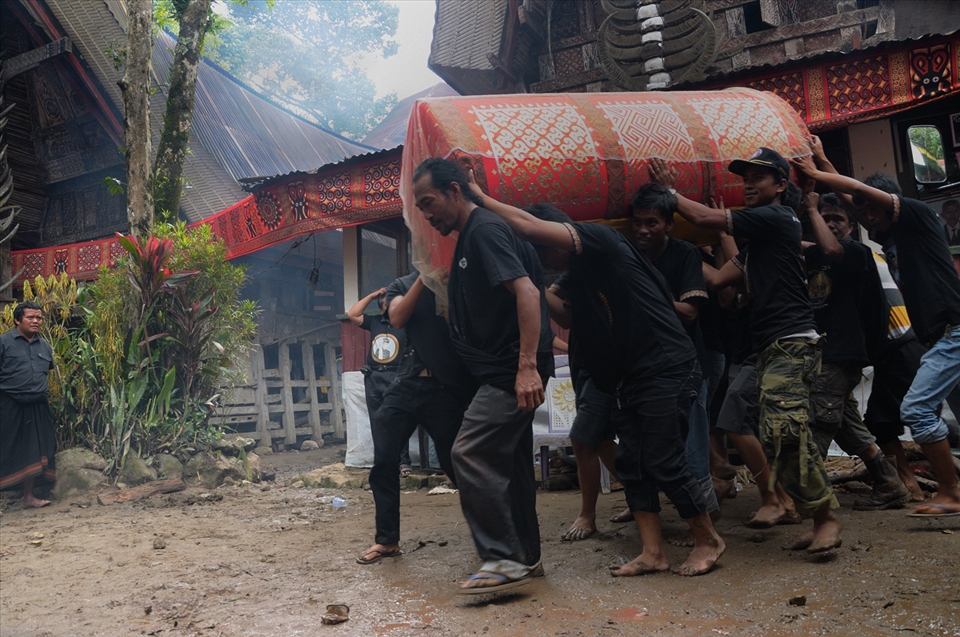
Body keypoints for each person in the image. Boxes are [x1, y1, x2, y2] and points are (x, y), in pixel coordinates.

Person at [465, 171, 725, 578]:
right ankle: (653, 551)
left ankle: (708, 539)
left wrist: (478, 196)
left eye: (540, 250)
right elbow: (563, 311)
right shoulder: (575, 277)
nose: (539, 259)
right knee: (632, 462)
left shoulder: (603, 242)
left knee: (663, 459)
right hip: (625, 376)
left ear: (557, 238)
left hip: (666, 365)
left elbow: (529, 225)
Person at [650, 150, 841, 553]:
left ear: (781, 186)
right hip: (768, 347)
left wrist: (668, 190)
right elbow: (719, 278)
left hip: (792, 339)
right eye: (745, 178)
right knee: (774, 434)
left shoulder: (777, 218)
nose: (749, 184)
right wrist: (676, 250)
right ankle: (809, 511)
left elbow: (704, 218)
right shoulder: (759, 245)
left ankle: (825, 517)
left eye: (760, 177)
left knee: (785, 431)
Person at [412, 158, 555, 594]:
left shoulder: (486, 231)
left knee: (468, 452)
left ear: (455, 192)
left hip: (511, 371)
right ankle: (527, 558)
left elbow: (527, 291)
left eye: (429, 202)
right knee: (509, 463)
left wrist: (527, 367)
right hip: (502, 369)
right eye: (419, 207)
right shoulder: (475, 234)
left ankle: (501, 559)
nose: (426, 213)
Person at [791, 156, 960, 518]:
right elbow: (856, 200)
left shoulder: (916, 215)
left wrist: (811, 173)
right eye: (861, 212)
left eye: (871, 209)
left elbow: (857, 193)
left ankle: (951, 492)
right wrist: (823, 159)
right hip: (939, 338)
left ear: (889, 205)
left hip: (953, 331)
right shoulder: (890, 234)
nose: (865, 217)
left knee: (916, 409)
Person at [356, 272, 478, 565]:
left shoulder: (465, 276)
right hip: (407, 382)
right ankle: (387, 540)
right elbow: (397, 317)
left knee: (456, 462)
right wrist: (426, 277)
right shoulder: (405, 284)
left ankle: (490, 536)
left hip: (446, 388)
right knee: (384, 459)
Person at [801, 191, 910, 511]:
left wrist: (811, 209)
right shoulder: (813, 256)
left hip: (842, 351)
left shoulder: (856, 252)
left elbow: (832, 249)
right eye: (826, 216)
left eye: (837, 218)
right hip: (822, 351)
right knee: (847, 425)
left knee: (817, 423)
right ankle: (890, 482)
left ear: (850, 225)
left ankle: (811, 503)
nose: (831, 223)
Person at [631, 184, 719, 519]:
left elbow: (690, 313)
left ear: (668, 224)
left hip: (686, 367)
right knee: (650, 446)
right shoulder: (628, 254)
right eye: (637, 222)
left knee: (693, 443)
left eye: (651, 223)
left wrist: (649, 298)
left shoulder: (684, 254)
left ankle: (707, 514)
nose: (643, 230)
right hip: (644, 367)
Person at [347, 288, 412, 477]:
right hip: (374, 377)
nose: (390, 307)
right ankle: (384, 462)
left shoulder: (406, 323)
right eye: (387, 303)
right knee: (377, 421)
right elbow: (352, 314)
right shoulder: (375, 321)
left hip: (397, 376)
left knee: (398, 420)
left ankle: (403, 462)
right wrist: (372, 296)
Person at [0, 301, 56, 508]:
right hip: (8, 406)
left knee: (33, 452)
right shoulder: (4, 343)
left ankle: (29, 498)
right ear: (17, 319)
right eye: (30, 317)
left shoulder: (44, 346)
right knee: (4, 450)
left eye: (39, 318)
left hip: (38, 407)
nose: (35, 321)